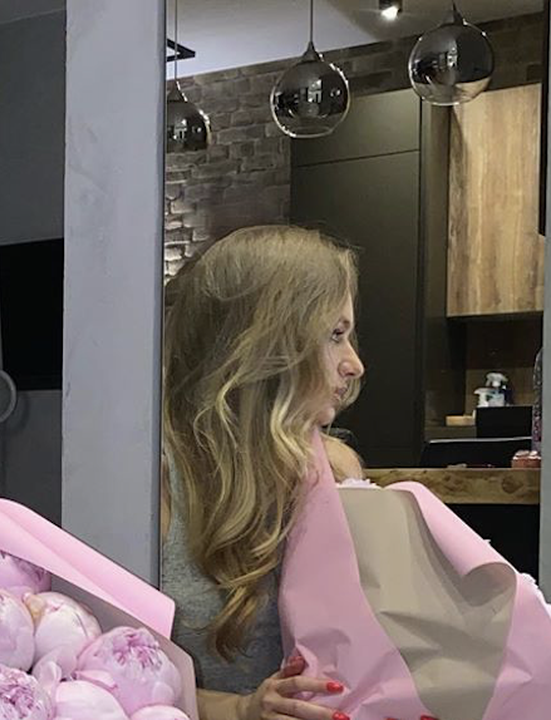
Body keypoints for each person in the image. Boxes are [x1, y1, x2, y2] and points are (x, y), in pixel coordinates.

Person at [160, 225, 365, 720]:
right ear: (268, 343)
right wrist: (240, 709)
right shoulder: (155, 486)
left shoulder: (337, 469)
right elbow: (113, 671)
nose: (355, 364)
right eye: (334, 335)